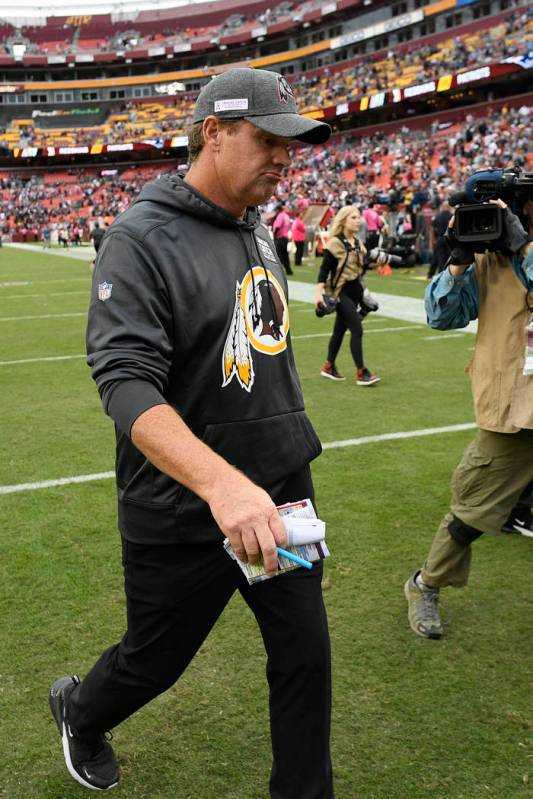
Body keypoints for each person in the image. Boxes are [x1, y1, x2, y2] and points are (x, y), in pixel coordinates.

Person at [48, 66, 334, 798]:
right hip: (183, 505)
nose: (283, 158)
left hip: (277, 492)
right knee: (155, 659)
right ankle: (80, 710)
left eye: (289, 145)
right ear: (214, 132)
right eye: (268, 140)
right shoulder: (139, 237)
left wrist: (270, 461)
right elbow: (125, 382)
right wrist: (220, 485)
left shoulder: (256, 224)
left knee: (303, 652)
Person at [405, 197, 533, 639]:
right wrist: (458, 261)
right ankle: (426, 584)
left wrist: (524, 246)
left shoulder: (521, 249)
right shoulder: (491, 260)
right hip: (514, 406)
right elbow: (440, 317)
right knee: (471, 512)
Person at [315, 205, 380, 386]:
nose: (358, 220)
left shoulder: (358, 244)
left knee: (339, 331)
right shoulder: (334, 243)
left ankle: (328, 366)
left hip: (356, 293)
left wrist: (379, 260)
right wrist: (318, 295)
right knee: (357, 330)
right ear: (344, 220)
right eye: (353, 217)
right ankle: (362, 372)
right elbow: (324, 271)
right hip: (340, 294)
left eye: (358, 217)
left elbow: (362, 268)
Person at [427, 199, 453, 279]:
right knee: (446, 257)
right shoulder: (451, 216)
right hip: (448, 239)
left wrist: (433, 239)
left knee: (437, 256)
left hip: (439, 238)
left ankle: (430, 273)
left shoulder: (438, 216)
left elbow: (431, 227)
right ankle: (441, 274)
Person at [272, 203, 292, 275]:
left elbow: (277, 226)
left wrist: (274, 235)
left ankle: (279, 272)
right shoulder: (287, 216)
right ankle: (288, 270)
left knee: (278, 255)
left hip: (279, 237)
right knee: (285, 255)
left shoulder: (280, 216)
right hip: (285, 237)